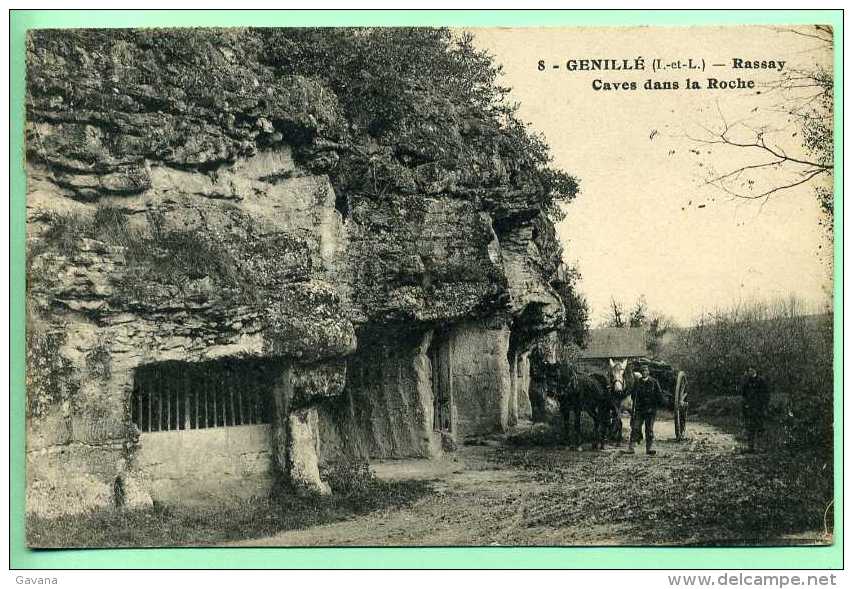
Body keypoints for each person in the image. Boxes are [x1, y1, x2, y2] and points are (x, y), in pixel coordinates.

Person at [627, 365, 665, 455]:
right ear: (641, 373)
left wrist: (656, 406)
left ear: (648, 372)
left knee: (649, 430)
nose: (644, 372)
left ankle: (649, 448)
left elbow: (659, 396)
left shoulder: (654, 382)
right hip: (640, 410)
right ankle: (631, 448)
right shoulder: (638, 382)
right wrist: (635, 406)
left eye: (646, 371)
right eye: (642, 371)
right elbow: (633, 395)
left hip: (650, 410)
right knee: (635, 427)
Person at [739, 366, 770, 453]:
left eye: (752, 370)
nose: (750, 372)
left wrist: (764, 406)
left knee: (760, 427)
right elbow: (743, 394)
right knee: (750, 428)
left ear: (755, 370)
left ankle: (761, 447)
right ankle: (751, 447)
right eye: (749, 370)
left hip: (759, 408)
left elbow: (766, 394)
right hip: (750, 408)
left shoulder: (761, 381)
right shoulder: (747, 381)